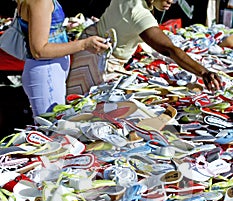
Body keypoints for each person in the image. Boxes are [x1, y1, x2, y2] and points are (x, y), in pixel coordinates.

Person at [66, 0, 222, 95]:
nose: (170, 2)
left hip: (88, 49)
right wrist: (203, 72)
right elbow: (169, 49)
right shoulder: (140, 15)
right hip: (99, 64)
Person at [16, 0, 109, 118]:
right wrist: (84, 44)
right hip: (47, 72)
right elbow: (39, 51)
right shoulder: (41, 2)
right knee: (52, 127)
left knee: (54, 123)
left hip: (49, 70)